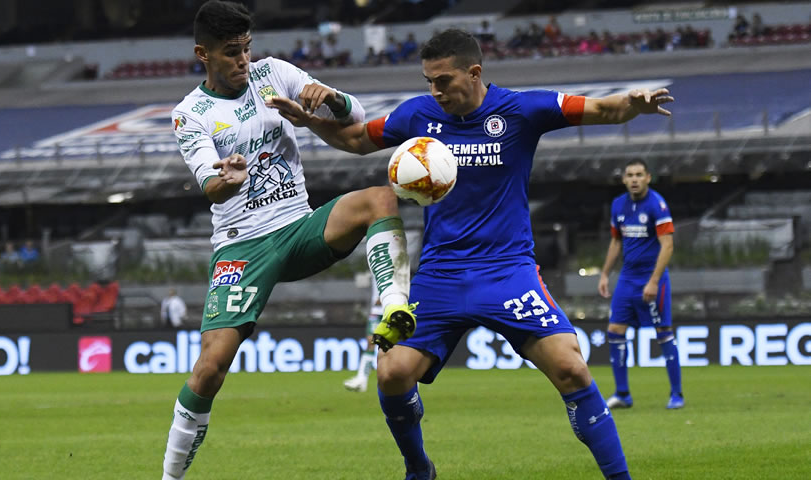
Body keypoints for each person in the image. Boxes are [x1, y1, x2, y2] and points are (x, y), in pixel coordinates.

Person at [269, 28, 673, 480]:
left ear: (474, 72)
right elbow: (358, 138)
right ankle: (419, 468)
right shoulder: (417, 115)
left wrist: (633, 104)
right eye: (428, 81)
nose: (434, 91)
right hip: (441, 273)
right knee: (392, 373)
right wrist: (312, 123)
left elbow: (601, 108)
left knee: (572, 368)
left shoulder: (522, 110)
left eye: (442, 80)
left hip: (508, 271)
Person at [160, 2, 416, 479]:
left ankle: (395, 307)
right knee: (210, 368)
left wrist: (328, 99)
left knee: (380, 197)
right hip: (242, 246)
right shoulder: (189, 114)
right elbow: (208, 184)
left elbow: (354, 113)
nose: (243, 60)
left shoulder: (272, 73)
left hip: (300, 228)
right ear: (203, 54)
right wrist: (229, 178)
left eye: (247, 48)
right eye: (232, 52)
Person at [598, 159, 683, 410]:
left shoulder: (657, 204)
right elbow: (616, 242)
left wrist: (654, 281)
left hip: (652, 278)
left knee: (664, 333)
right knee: (614, 331)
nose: (634, 179)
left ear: (648, 178)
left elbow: (668, 245)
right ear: (623, 179)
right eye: (629, 175)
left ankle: (676, 394)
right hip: (627, 278)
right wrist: (604, 274)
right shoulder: (618, 205)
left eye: (639, 175)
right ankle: (623, 394)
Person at [343, 277, 383, 392]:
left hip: (392, 307)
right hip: (376, 310)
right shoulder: (375, 260)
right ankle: (362, 379)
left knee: (397, 345)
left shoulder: (397, 262)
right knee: (371, 341)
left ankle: (410, 379)